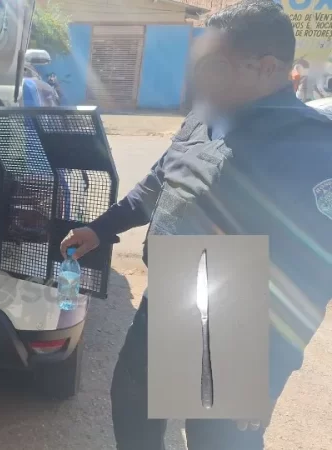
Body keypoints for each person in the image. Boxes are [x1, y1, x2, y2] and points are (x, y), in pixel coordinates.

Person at [60, 1, 332, 449]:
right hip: (173, 291)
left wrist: (269, 376)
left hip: (235, 316)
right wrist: (100, 229)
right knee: (133, 404)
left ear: (268, 67)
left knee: (213, 439)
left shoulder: (309, 147)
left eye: (216, 67)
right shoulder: (206, 116)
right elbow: (156, 184)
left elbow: (311, 275)